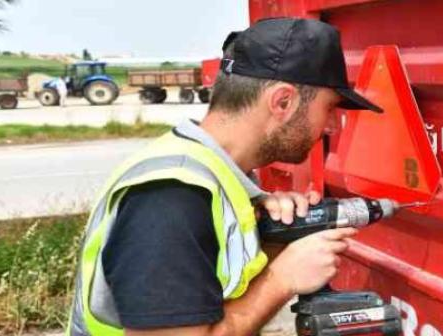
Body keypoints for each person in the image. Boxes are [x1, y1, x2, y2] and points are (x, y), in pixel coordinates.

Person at [67, 17, 382, 336]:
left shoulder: (217, 178)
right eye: (328, 109)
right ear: (282, 102)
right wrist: (282, 278)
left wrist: (273, 244)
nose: (329, 126)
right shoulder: (173, 195)